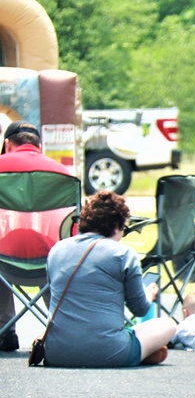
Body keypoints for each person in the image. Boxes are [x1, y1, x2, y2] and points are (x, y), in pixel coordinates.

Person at [42, 191, 176, 367]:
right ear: (116, 227)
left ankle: (139, 351)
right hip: (109, 352)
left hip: (56, 352)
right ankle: (140, 352)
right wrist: (149, 294)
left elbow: (53, 296)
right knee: (168, 325)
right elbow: (140, 309)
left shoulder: (56, 250)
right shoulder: (123, 254)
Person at [0, 121, 77, 352]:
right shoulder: (63, 174)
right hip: (52, 261)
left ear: (7, 144)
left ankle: (4, 330)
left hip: (4, 262)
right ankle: (59, 327)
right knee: (53, 249)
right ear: (39, 146)